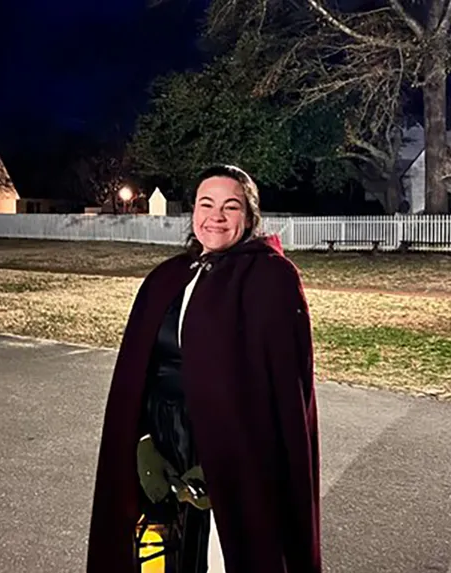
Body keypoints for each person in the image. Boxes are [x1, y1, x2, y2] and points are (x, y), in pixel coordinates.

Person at [87, 165, 321, 573]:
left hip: (236, 454)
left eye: (230, 207)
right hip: (161, 443)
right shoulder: (168, 277)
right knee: (158, 558)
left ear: (249, 217)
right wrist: (143, 441)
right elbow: (138, 375)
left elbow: (283, 392)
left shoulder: (271, 278)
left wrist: (226, 460)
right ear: (193, 212)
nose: (216, 216)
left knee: (221, 558)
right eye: (206, 204)